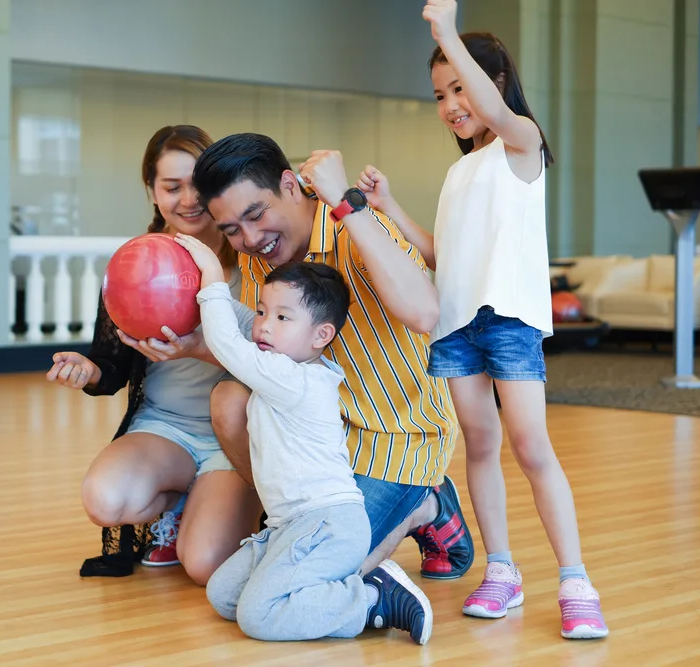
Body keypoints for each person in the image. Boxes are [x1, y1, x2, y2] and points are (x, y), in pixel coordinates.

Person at [385, 0, 601, 639]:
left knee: (532, 446)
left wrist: (447, 33)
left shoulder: (521, 142)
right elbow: (439, 256)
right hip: (456, 326)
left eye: (460, 85)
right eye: (440, 93)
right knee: (479, 447)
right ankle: (501, 569)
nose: (451, 102)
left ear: (496, 82)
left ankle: (575, 579)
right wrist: (388, 206)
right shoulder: (459, 171)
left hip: (507, 320)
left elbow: (500, 113)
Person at [192, 132, 475, 583]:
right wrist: (193, 345)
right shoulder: (257, 256)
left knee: (320, 583)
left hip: (397, 439)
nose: (249, 237)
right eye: (231, 230)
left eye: (256, 213)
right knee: (229, 400)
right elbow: (270, 359)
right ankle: (289, 521)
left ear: (289, 185)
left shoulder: (356, 225)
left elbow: (424, 313)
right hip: (321, 445)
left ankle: (427, 503)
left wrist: (347, 203)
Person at [174, 233, 432, 644]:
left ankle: (370, 597)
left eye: (282, 317)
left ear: (321, 336)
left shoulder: (294, 380)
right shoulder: (288, 364)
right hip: (287, 526)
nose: (263, 324)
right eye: (262, 311)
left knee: (258, 617)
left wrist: (210, 277)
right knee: (224, 596)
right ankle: (337, 597)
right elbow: (240, 325)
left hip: (326, 525)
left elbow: (226, 342)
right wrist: (243, 312)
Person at [46, 125, 262, 584]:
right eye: (172, 186)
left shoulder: (254, 259)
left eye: (198, 184)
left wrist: (201, 349)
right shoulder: (136, 265)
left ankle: (225, 504)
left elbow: (279, 363)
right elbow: (111, 369)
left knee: (203, 565)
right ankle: (181, 506)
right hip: (164, 429)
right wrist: (88, 371)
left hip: (234, 438)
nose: (189, 199)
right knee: (105, 500)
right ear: (152, 191)